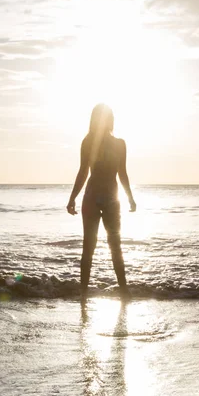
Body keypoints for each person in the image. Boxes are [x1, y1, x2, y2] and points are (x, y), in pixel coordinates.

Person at [67, 103, 136, 299]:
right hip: (103, 198)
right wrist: (73, 197)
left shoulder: (102, 143)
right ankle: (113, 293)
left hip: (102, 198)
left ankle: (117, 292)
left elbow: (122, 173)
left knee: (104, 246)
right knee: (102, 245)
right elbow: (83, 171)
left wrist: (130, 197)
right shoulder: (91, 142)